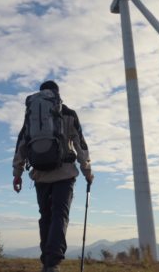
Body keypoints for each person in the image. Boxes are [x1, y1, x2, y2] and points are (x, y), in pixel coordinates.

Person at [12, 80, 93, 272]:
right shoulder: (68, 114)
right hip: (65, 173)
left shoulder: (32, 116)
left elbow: (21, 145)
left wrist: (17, 174)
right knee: (60, 214)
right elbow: (80, 145)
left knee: (45, 215)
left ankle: (46, 262)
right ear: (57, 94)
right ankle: (53, 263)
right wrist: (87, 172)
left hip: (40, 174)